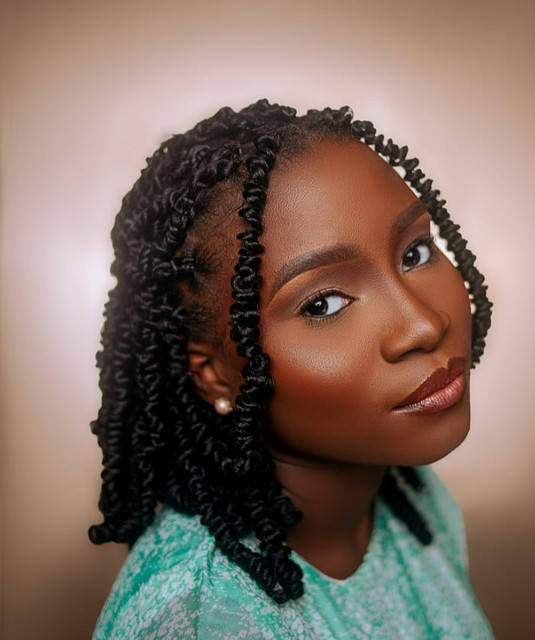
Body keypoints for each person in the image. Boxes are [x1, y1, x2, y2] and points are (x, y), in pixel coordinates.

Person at [90, 100, 494, 639]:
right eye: (324, 304)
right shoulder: (205, 617)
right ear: (213, 375)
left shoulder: (416, 500)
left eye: (415, 253)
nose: (424, 324)